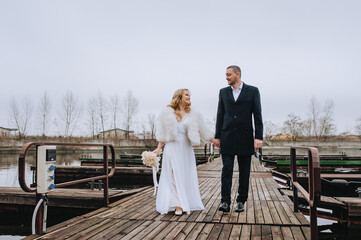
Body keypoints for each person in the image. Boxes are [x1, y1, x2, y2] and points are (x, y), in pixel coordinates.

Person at [153, 89, 214, 215]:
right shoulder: (167, 113)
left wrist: (215, 140)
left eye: (190, 95)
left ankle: (182, 202)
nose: (189, 97)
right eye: (187, 95)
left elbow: (203, 129)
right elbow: (162, 133)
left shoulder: (193, 113)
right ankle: (178, 204)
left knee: (184, 175)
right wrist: (158, 148)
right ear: (179, 96)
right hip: (171, 147)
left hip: (185, 148)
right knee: (173, 174)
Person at [212, 65, 263, 213]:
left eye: (229, 75)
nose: (226, 77)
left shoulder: (253, 91)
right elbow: (220, 115)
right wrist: (217, 136)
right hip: (227, 136)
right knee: (226, 170)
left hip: (245, 137)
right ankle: (225, 202)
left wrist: (258, 137)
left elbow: (258, 115)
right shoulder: (223, 92)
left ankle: (241, 200)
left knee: (244, 171)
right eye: (226, 75)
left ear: (237, 74)